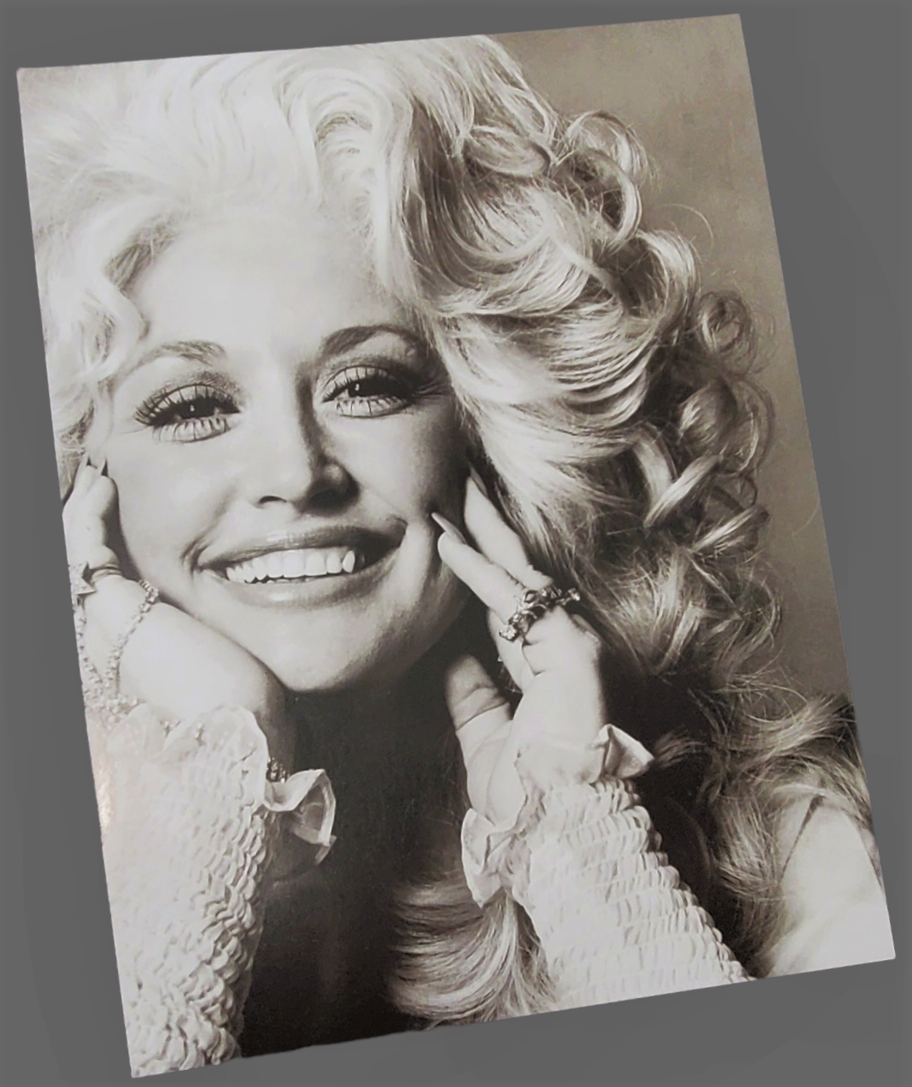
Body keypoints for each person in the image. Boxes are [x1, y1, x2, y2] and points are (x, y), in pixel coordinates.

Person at [19, 36, 893, 1077]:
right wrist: (212, 778)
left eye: (367, 386)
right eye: (192, 406)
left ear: (492, 425)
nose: (296, 473)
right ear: (79, 471)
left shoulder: (797, 840)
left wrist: (577, 834)